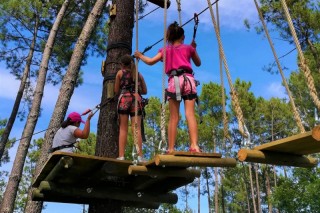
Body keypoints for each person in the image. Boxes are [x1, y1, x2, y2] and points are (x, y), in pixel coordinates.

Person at [134, 22, 201, 153]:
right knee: (190, 114)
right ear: (182, 37)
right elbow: (198, 63)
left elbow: (150, 61)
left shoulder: (165, 50)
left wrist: (140, 56)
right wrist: (194, 49)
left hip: (174, 80)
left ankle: (171, 148)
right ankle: (194, 146)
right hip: (188, 80)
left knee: (174, 117)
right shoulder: (189, 48)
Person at [115, 54, 148, 161]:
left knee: (123, 128)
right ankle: (140, 156)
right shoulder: (138, 75)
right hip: (135, 100)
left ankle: (121, 156)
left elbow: (116, 91)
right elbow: (144, 91)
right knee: (136, 129)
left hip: (124, 99)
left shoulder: (120, 73)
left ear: (122, 65)